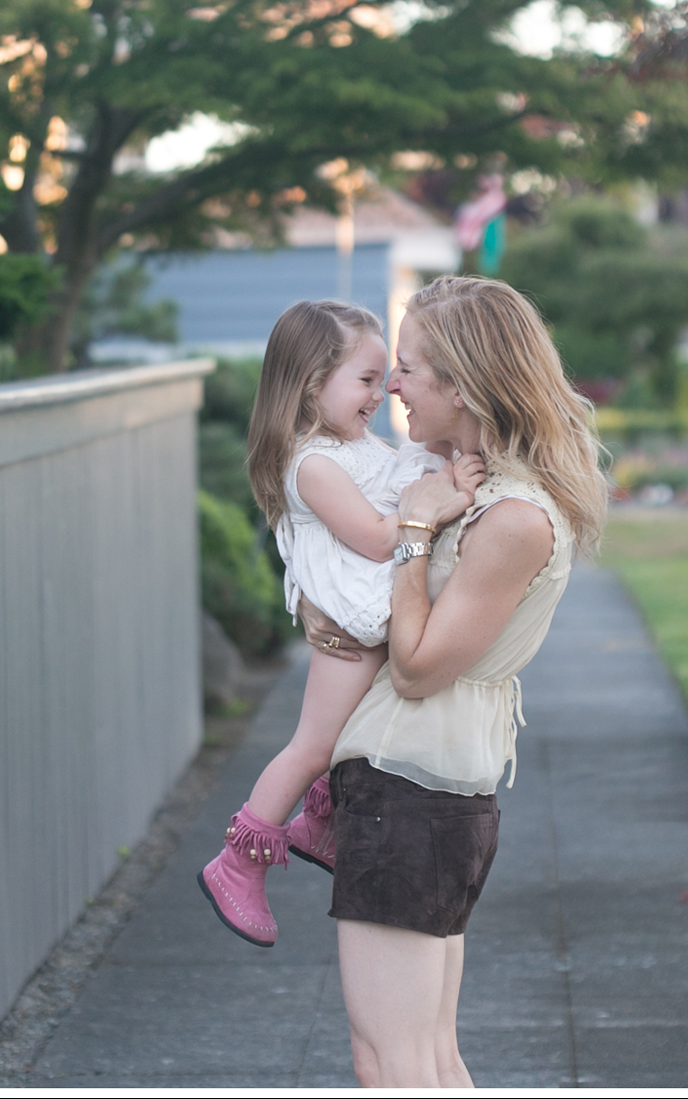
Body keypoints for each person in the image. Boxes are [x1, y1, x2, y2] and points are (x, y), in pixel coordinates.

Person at [297, 275, 608, 1087]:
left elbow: (419, 665)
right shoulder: (475, 489)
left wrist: (411, 530)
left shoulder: (507, 515)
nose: (391, 384)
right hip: (427, 792)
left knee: (391, 1061)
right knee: (427, 1057)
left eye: (407, 367)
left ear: (463, 382)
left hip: (410, 791)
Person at [198, 299, 484, 947]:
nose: (383, 390)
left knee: (351, 735)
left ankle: (315, 825)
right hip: (348, 633)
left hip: (362, 627)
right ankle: (237, 862)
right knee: (313, 746)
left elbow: (398, 480)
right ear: (308, 384)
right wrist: (441, 501)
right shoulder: (313, 464)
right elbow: (381, 538)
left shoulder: (355, 445)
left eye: (388, 375)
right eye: (366, 378)